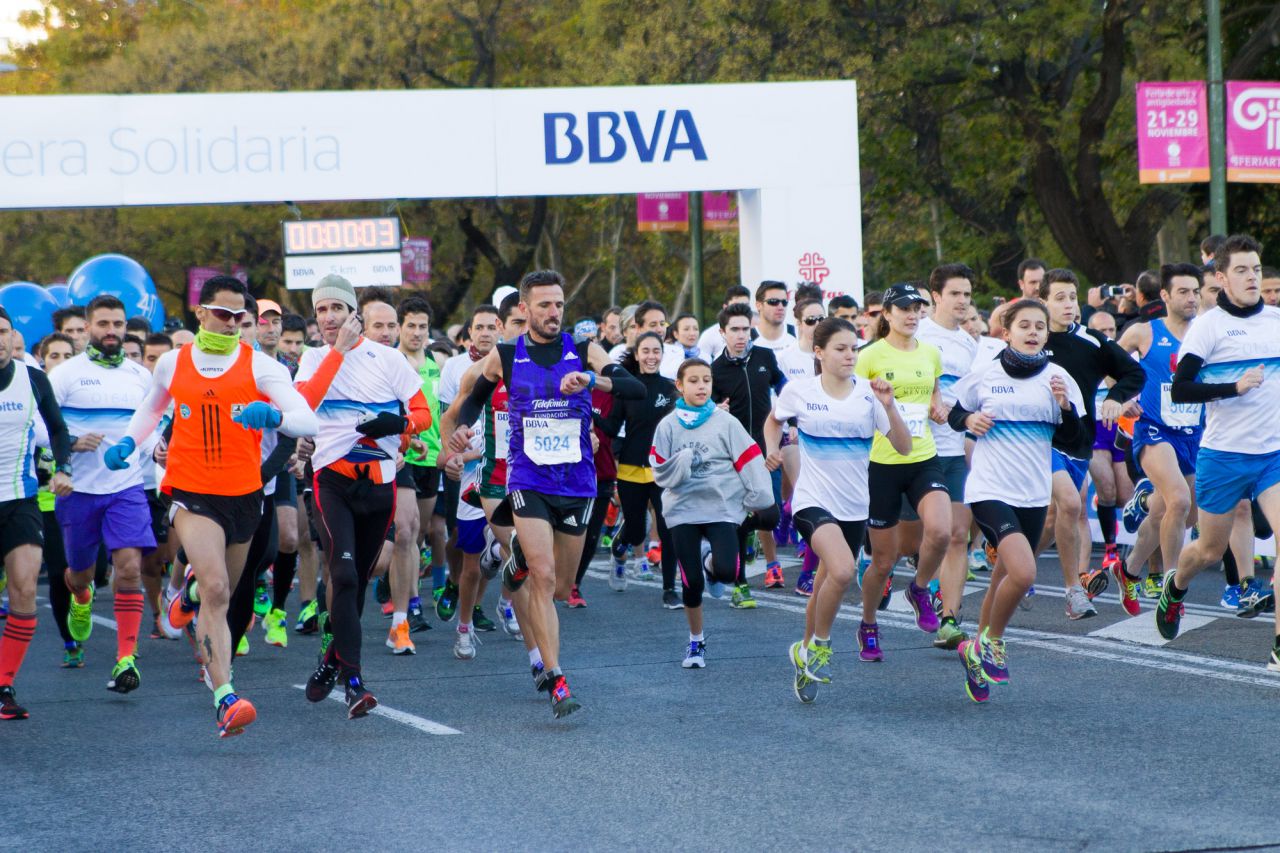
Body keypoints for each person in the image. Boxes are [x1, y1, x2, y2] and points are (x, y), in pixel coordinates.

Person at [114, 275, 317, 737]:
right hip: (190, 490)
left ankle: (185, 595)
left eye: (238, 319)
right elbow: (151, 408)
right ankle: (225, 695)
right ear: (202, 312)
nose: (230, 325)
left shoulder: (261, 368)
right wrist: (128, 443)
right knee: (219, 588)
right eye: (222, 315)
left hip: (245, 495)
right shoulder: (171, 362)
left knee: (219, 594)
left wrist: (276, 416)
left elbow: (310, 421)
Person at [447, 269, 644, 718]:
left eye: (559, 304)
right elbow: (476, 399)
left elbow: (633, 388)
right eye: (544, 305)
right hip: (527, 479)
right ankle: (555, 678)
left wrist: (592, 382)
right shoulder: (505, 355)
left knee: (559, 587)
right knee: (544, 574)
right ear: (524, 309)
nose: (554, 312)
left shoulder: (584, 349)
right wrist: (461, 428)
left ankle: (512, 562)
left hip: (577, 482)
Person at [293, 275, 431, 719]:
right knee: (345, 577)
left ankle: (331, 658)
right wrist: (336, 353)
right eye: (321, 311)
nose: (329, 317)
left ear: (353, 312)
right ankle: (354, 683)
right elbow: (304, 404)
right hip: (331, 481)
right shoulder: (314, 358)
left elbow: (423, 415)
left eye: (337, 308)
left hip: (380, 482)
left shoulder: (386, 359)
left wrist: (399, 426)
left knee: (360, 581)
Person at [765, 318, 910, 701]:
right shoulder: (800, 391)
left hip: (854, 507)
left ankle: (804, 648)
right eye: (841, 348)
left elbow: (904, 446)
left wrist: (890, 406)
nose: (850, 355)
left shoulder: (868, 394)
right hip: (813, 500)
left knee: (828, 582)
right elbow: (773, 420)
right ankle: (821, 647)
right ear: (819, 352)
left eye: (853, 348)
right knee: (844, 571)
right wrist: (772, 448)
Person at [947, 299, 1084, 702]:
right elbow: (955, 412)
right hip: (990, 489)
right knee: (1022, 575)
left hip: (1033, 492)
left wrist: (1065, 408)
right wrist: (969, 421)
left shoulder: (1059, 378)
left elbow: (1076, 441)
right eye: (1024, 325)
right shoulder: (985, 376)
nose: (1033, 332)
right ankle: (991, 641)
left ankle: (974, 648)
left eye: (1040, 326)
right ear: (1006, 333)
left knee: (1001, 576)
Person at [1156, 236, 1280, 672]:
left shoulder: (1277, 321)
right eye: (1242, 270)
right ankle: (1176, 586)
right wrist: (1233, 387)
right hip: (1224, 455)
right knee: (1208, 550)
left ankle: (1278, 648)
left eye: (1257, 268)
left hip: (1273, 456)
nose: (1252, 277)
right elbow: (1184, 387)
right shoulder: (1207, 327)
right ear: (1223, 278)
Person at [51, 295, 159, 693]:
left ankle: (125, 658)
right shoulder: (66, 375)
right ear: (87, 326)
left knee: (129, 566)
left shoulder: (138, 375)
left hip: (126, 486)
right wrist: (73, 441)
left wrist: (149, 448)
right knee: (83, 573)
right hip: (79, 489)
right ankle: (80, 595)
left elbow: (154, 420)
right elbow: (43, 424)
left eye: (117, 324)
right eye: (103, 324)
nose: (111, 331)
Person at [651, 359, 775, 669]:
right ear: (680, 385)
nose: (701, 386)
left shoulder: (726, 422)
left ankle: (710, 560)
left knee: (728, 573)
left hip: (720, 506)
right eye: (693, 380)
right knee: (691, 583)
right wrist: (681, 463)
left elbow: (749, 457)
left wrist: (757, 496)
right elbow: (658, 468)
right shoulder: (667, 425)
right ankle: (696, 642)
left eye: (706, 380)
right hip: (682, 508)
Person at [1039, 268, 1144, 619]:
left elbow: (1134, 373)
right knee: (1070, 503)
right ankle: (1074, 591)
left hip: (1078, 441)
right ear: (1042, 302)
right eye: (1059, 298)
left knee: (1056, 514)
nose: (1069, 304)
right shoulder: (1030, 340)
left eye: (1072, 297)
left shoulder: (1092, 341)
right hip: (1036, 439)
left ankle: (1012, 560)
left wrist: (1116, 396)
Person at [853, 283, 951, 660]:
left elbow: (933, 391)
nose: (912, 314)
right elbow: (855, 402)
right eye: (904, 308)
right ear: (887, 314)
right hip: (882, 465)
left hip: (923, 457)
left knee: (942, 532)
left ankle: (920, 589)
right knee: (883, 560)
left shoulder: (930, 353)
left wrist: (937, 407)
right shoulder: (869, 357)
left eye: (917, 308)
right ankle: (868, 624)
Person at [1114, 264, 1204, 614]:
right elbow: (1110, 365)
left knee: (1184, 515)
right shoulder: (1143, 332)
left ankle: (1129, 568)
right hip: (1154, 430)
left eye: (1195, 291)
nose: (1191, 298)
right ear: (1165, 295)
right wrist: (1123, 398)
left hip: (1192, 434)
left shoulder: (1205, 333)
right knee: (1179, 500)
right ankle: (1171, 586)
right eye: (1183, 291)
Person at [0, 306, 74, 720]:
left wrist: (62, 468)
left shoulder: (33, 379)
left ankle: (4, 685)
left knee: (25, 588)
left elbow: (58, 429)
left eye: (4, 332)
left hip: (19, 498)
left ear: (13, 337)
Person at [916, 264, 979, 648]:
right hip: (915, 450)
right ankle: (913, 582)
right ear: (935, 295)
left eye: (967, 295)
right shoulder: (917, 334)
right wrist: (928, 400)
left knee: (956, 534)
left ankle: (949, 618)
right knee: (911, 540)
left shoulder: (971, 344)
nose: (962, 302)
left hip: (953, 449)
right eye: (955, 294)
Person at [711, 302, 786, 601]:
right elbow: (707, 408)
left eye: (746, 329)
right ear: (722, 332)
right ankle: (740, 587)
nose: (742, 335)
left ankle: (750, 529)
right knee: (740, 518)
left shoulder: (765, 357)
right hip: (735, 454)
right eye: (735, 330)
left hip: (767, 448)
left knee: (771, 516)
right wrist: (715, 409)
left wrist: (790, 419)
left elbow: (784, 385)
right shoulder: (715, 370)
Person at [599, 332, 678, 605]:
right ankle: (620, 549)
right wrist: (591, 412)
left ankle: (670, 590)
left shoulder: (671, 389)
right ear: (636, 355)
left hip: (662, 470)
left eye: (656, 351)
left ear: (662, 354)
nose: (651, 356)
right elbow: (611, 427)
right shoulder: (627, 389)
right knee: (636, 531)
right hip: (631, 469)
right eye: (646, 351)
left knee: (668, 530)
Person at [397, 296, 444, 640]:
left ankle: (396, 582)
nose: (416, 332)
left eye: (422, 326)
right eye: (410, 325)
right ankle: (412, 604)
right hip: (403, 455)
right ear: (400, 327)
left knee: (422, 529)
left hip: (432, 456)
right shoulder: (391, 361)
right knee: (408, 531)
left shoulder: (434, 362)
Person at [774, 298, 825, 595]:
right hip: (793, 435)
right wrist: (789, 424)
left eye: (821, 318)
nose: (817, 325)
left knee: (815, 502)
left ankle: (809, 570)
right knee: (804, 495)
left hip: (826, 438)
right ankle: (787, 511)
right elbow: (777, 399)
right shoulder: (786, 357)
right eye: (810, 320)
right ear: (798, 323)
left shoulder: (832, 352)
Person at [987, 259, 1047, 337]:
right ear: (1021, 284)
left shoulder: (1056, 310)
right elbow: (993, 343)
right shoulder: (1004, 312)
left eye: (1041, 282)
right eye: (1033, 282)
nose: (1038, 287)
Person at [753, 281, 797, 351]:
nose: (780, 307)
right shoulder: (748, 339)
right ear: (759, 305)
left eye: (784, 302)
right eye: (773, 301)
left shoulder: (797, 335)